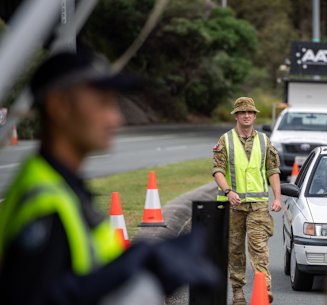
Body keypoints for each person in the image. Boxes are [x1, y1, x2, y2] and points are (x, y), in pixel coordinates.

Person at [0, 51, 218, 305]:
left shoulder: (64, 185)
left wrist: (135, 263)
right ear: (59, 106)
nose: (116, 118)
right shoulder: (44, 203)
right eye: (102, 103)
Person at [212, 97, 282, 305]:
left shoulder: (264, 140)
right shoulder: (225, 140)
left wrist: (277, 197)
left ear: (254, 115)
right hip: (233, 205)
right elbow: (216, 170)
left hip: (258, 205)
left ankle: (264, 291)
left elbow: (273, 170)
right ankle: (238, 292)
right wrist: (228, 191)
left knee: (259, 248)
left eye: (250, 112)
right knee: (235, 250)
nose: (247, 115)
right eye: (242, 112)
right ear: (236, 115)